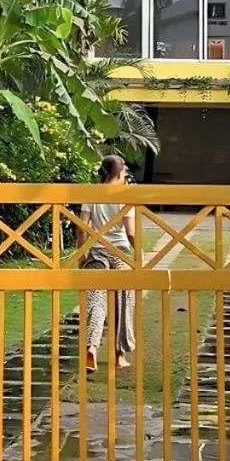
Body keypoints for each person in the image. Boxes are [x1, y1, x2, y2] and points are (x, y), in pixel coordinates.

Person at [80, 154, 136, 372]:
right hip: (120, 254)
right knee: (123, 300)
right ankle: (119, 355)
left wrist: (82, 255)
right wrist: (138, 255)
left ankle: (91, 347)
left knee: (96, 300)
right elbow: (130, 233)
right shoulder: (125, 195)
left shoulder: (90, 194)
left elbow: (81, 228)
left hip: (96, 252)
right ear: (120, 173)